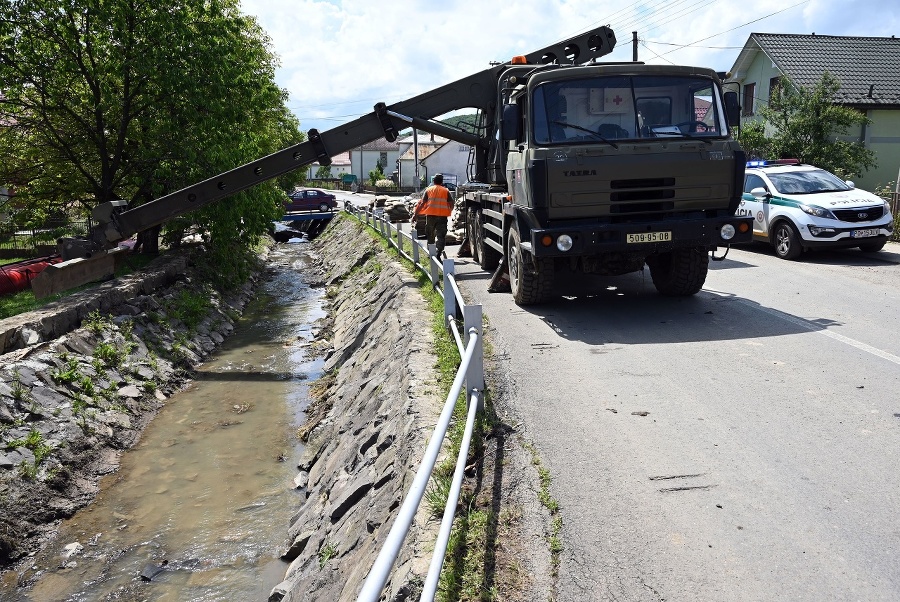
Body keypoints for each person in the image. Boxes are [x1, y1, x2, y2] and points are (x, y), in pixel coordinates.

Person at [411, 173, 453, 258]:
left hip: (430, 216)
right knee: (441, 235)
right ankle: (439, 252)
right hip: (442, 217)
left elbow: (422, 203)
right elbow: (451, 204)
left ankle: (431, 252)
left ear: (433, 181)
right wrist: (449, 211)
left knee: (430, 234)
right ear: (442, 182)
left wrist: (415, 215)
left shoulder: (428, 190)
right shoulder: (446, 191)